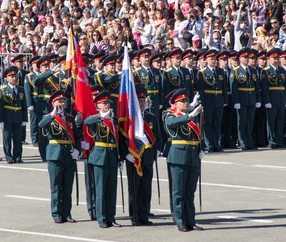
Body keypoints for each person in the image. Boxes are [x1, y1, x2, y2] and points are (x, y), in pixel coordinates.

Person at [163, 88, 203, 232]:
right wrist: (190, 115)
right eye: (182, 101)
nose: (186, 103)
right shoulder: (169, 114)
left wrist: (201, 148)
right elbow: (172, 124)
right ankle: (180, 221)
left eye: (187, 101)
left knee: (190, 192)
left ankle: (191, 221)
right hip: (178, 157)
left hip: (193, 156)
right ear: (175, 103)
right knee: (178, 192)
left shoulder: (191, 116)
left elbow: (198, 134)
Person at [39, 90, 80, 223]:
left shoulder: (69, 118)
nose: (61, 103)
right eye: (58, 101)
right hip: (55, 154)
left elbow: (77, 136)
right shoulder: (49, 117)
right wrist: (52, 114)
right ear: (53, 103)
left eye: (63, 101)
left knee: (67, 187)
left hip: (68, 154)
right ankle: (56, 214)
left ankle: (67, 213)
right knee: (56, 186)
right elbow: (41, 125)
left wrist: (77, 150)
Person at [122, 85, 160, 226]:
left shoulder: (150, 116)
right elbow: (122, 138)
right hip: (134, 156)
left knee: (146, 188)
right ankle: (135, 216)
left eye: (143, 100)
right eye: (139, 100)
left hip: (148, 156)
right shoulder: (129, 119)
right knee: (135, 188)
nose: (142, 103)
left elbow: (158, 136)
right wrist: (125, 154)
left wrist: (157, 150)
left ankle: (144, 215)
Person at [85, 91, 121, 229]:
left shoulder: (113, 119)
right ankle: (102, 218)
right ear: (97, 105)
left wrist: (120, 157)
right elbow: (87, 122)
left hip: (112, 156)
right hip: (99, 157)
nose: (106, 105)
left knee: (111, 190)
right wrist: (101, 117)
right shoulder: (95, 118)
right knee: (100, 190)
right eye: (103, 103)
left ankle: (112, 218)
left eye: (107, 103)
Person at [196, 49, 228, 152]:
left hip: (218, 100)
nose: (213, 61)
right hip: (208, 101)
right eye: (211, 59)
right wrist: (202, 103)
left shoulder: (220, 71)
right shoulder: (202, 72)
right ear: (206, 60)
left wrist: (225, 100)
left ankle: (216, 144)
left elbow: (224, 88)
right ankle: (208, 144)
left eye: (214, 59)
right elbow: (200, 89)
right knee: (208, 123)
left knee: (217, 123)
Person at [0, 66, 27, 163]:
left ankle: (18, 156)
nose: (14, 78)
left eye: (15, 76)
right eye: (11, 76)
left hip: (18, 116)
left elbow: (24, 105)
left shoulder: (21, 89)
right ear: (6, 78)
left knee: (18, 139)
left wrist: (25, 118)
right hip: (7, 116)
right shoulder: (3, 89)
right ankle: (9, 157)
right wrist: (0, 120)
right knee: (7, 138)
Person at [230, 49, 260, 150]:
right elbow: (233, 88)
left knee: (250, 121)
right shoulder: (236, 70)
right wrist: (236, 101)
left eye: (247, 57)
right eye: (244, 57)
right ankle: (243, 142)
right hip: (242, 99)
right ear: (240, 58)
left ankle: (249, 142)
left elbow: (256, 87)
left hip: (251, 99)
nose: (246, 59)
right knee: (242, 122)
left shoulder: (252, 70)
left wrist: (258, 99)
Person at [261, 49, 286, 149]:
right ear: (269, 59)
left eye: (277, 58)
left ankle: (279, 140)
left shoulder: (282, 71)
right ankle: (272, 141)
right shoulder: (266, 71)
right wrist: (267, 101)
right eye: (274, 58)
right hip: (272, 100)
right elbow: (265, 88)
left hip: (281, 99)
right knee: (271, 122)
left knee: (280, 121)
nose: (276, 60)